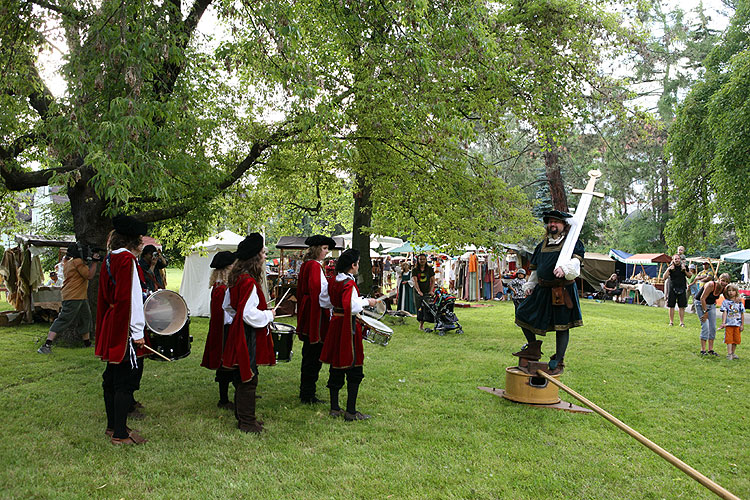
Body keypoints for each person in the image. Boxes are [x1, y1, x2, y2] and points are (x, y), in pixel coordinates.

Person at [94, 214, 149, 445]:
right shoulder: (127, 260)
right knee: (124, 380)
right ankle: (119, 434)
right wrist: (137, 334)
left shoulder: (110, 258)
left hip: (112, 321)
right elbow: (132, 299)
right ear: (133, 242)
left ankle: (112, 426)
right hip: (124, 324)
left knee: (111, 376)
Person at [513, 210, 584, 375]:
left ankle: (559, 358)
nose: (552, 224)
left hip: (562, 289)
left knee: (562, 325)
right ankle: (533, 348)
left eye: (556, 222)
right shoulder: (542, 245)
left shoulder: (572, 243)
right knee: (522, 312)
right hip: (542, 289)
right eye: (550, 222)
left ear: (564, 225)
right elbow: (536, 269)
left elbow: (576, 263)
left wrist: (564, 269)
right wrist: (530, 285)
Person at [221, 233, 277, 433]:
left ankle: (243, 417)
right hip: (246, 334)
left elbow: (228, 306)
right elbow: (248, 314)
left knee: (241, 374)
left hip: (239, 331)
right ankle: (247, 422)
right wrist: (268, 315)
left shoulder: (237, 278)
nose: (264, 256)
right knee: (248, 376)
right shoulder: (248, 281)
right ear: (255, 257)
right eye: (262, 253)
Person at [320, 249, 378, 421]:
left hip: (336, 324)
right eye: (357, 263)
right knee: (354, 366)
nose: (358, 266)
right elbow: (351, 307)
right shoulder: (348, 284)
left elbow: (324, 301)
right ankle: (351, 412)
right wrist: (367, 302)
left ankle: (334, 408)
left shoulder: (334, 281)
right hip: (347, 326)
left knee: (337, 364)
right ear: (352, 265)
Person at [37, 244, 100, 354]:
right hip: (74, 296)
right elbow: (89, 275)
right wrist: (94, 262)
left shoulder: (69, 262)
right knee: (63, 319)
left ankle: (87, 343)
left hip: (79, 296)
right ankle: (46, 345)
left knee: (85, 318)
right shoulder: (77, 262)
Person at [296, 235, 336, 405]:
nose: (327, 252)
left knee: (309, 353)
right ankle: (307, 393)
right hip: (315, 313)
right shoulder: (313, 266)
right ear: (317, 248)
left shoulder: (308, 265)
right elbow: (318, 292)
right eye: (325, 248)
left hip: (310, 310)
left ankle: (306, 391)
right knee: (313, 353)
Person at [200, 251, 237, 409]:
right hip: (225, 331)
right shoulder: (222, 289)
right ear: (228, 267)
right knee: (225, 366)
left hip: (222, 329)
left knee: (227, 366)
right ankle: (223, 399)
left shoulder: (219, 287)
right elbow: (225, 315)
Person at [695, 273, 731, 356]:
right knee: (705, 326)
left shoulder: (723, 288)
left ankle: (710, 349)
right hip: (701, 304)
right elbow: (702, 298)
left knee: (712, 327)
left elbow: (728, 300)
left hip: (711, 305)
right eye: (722, 280)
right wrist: (705, 312)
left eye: (726, 282)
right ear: (719, 279)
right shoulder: (711, 285)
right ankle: (703, 350)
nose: (724, 283)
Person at [663, 254, 692, 327]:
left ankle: (681, 322)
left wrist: (685, 270)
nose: (677, 260)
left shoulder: (684, 267)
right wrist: (668, 269)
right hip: (672, 288)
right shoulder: (671, 267)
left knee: (681, 306)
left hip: (682, 287)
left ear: (680, 259)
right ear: (673, 260)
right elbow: (664, 277)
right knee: (671, 306)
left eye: (678, 259)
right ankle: (671, 322)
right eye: (675, 259)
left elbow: (689, 276)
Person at [719, 284, 744, 360]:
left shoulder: (739, 303)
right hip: (729, 324)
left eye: (733, 291)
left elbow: (742, 313)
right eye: (729, 290)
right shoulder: (725, 302)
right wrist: (723, 322)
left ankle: (733, 353)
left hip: (737, 324)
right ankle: (729, 353)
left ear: (736, 292)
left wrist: (742, 324)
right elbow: (725, 312)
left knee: (736, 339)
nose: (731, 292)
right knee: (729, 339)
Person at [412, 254, 435, 331]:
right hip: (418, 291)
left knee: (427, 307)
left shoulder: (429, 269)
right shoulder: (415, 270)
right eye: (420, 259)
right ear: (418, 260)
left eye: (423, 259)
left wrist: (431, 290)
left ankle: (425, 323)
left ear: (426, 260)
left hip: (427, 291)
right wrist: (418, 291)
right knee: (419, 308)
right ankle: (420, 323)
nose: (422, 261)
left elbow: (433, 280)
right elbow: (415, 281)